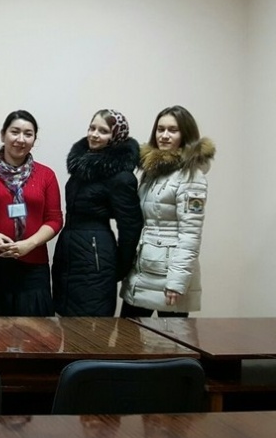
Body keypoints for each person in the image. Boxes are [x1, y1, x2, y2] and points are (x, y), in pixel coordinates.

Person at [120, 105, 215, 318]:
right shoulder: (153, 172)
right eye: (160, 129)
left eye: (172, 130)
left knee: (172, 338)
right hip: (144, 269)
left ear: (186, 135)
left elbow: (190, 234)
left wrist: (177, 281)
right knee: (127, 334)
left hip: (169, 276)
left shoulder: (191, 176)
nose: (164, 135)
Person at [52, 109, 143, 316]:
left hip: (96, 257)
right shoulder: (81, 168)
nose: (94, 134)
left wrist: (120, 266)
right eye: (92, 128)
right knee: (65, 321)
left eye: (103, 131)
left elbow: (131, 226)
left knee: (92, 326)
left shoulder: (121, 177)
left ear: (116, 137)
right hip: (68, 252)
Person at [0, 110, 63, 316]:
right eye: (15, 132)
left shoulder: (46, 175)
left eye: (28, 134)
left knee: (36, 329)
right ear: (3, 135)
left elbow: (54, 219)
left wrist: (30, 244)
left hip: (33, 266)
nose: (21, 139)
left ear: (34, 140)